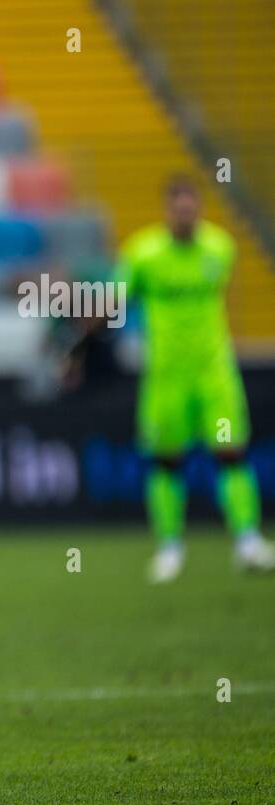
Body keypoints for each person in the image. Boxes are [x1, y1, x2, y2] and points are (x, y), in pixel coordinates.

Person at [118, 175, 274, 582]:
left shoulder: (220, 248)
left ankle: (247, 541)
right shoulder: (143, 255)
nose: (185, 214)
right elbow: (115, 301)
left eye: (192, 206)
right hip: (167, 379)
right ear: (167, 210)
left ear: (200, 208)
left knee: (231, 451)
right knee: (167, 462)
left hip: (214, 376)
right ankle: (169, 548)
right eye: (178, 207)